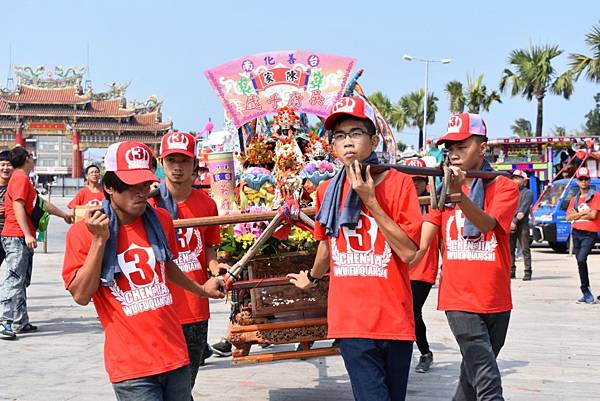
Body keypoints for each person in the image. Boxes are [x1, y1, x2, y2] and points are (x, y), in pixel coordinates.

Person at [62, 141, 226, 400]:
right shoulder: (83, 233)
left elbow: (165, 266)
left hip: (175, 354)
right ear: (109, 186)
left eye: (144, 184)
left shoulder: (160, 219)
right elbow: (81, 295)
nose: (140, 193)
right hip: (132, 366)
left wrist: (201, 290)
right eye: (130, 186)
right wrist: (99, 241)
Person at [288, 96, 422, 401]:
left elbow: (409, 252)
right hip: (352, 322)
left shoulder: (399, 184)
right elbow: (327, 245)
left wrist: (370, 199)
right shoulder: (327, 190)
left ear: (373, 141)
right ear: (332, 146)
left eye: (356, 133)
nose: (348, 142)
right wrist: (312, 275)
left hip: (394, 319)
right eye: (340, 135)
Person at [415, 113, 519, 401]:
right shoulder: (442, 189)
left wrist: (458, 196)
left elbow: (487, 224)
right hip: (458, 299)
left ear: (482, 148)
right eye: (450, 147)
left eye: (462, 146)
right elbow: (424, 239)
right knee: (486, 379)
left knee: (471, 377)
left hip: (496, 300)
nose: (454, 153)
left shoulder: (503, 186)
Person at [149, 131, 228, 391]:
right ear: (162, 162)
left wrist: (215, 268)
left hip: (195, 306)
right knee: (161, 383)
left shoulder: (206, 204)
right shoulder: (147, 204)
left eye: (184, 160)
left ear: (194, 164)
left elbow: (208, 248)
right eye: (171, 160)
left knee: (186, 384)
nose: (177, 167)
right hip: (159, 307)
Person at [0, 147, 73, 340]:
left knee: (22, 280)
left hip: (20, 236)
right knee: (14, 279)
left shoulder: (24, 180)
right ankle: (4, 321)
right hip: (16, 235)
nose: (33, 160)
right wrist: (27, 234)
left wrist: (64, 215)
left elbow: (40, 204)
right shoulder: (20, 178)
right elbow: (17, 205)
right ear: (26, 159)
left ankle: (20, 321)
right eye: (31, 157)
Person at [406, 158, 440, 374]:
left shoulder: (435, 203)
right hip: (401, 266)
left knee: (412, 310)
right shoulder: (400, 202)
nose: (415, 184)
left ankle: (425, 353)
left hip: (424, 268)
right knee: (403, 311)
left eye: (419, 180)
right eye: (412, 180)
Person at [566, 166, 600, 304]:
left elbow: (593, 215)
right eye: (581, 179)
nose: (584, 182)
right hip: (576, 232)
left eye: (586, 179)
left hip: (589, 233)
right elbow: (568, 217)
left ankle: (585, 290)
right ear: (577, 181)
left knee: (581, 258)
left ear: (589, 180)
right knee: (580, 262)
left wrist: (577, 214)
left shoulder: (596, 196)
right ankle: (585, 291)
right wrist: (582, 214)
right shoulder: (574, 198)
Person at [509, 169, 534, 280]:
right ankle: (511, 270)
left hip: (522, 224)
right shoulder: (509, 192)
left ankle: (527, 271)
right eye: (514, 178)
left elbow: (522, 211)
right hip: (510, 223)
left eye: (518, 178)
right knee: (510, 249)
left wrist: (514, 221)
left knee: (525, 248)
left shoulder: (528, 193)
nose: (515, 180)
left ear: (524, 180)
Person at [0, 150, 14, 267]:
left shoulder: (18, 186)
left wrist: (63, 215)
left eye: (9, 164)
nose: (5, 168)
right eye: (2, 164)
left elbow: (38, 202)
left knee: (15, 276)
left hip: (13, 237)